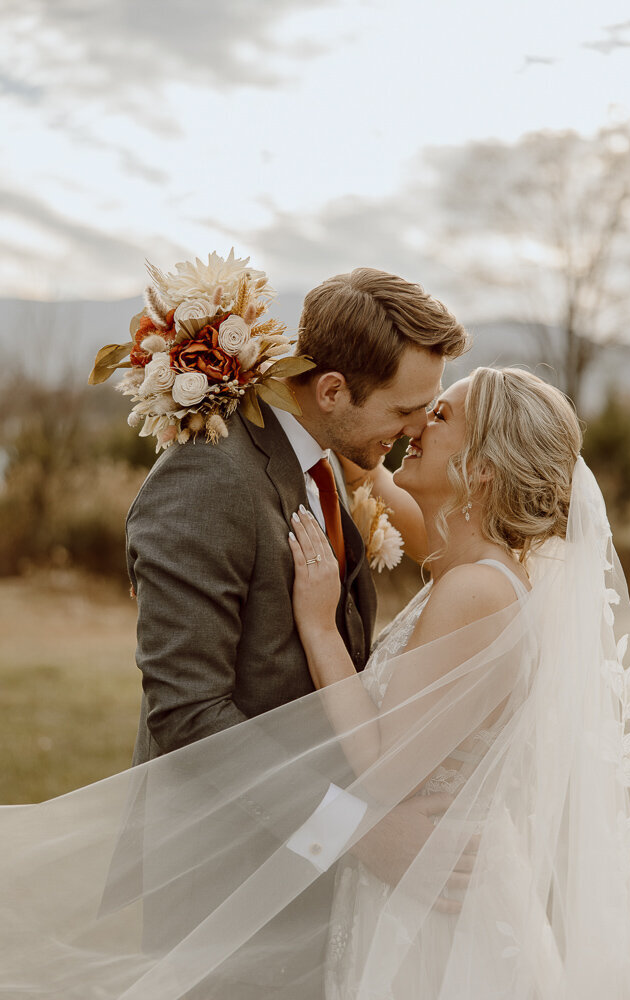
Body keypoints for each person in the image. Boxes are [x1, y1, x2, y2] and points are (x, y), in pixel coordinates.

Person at [124, 266, 468, 982]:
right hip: (224, 882)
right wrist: (361, 833)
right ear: (334, 389)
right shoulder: (208, 479)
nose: (414, 432)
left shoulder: (323, 465)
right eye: (406, 409)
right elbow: (186, 713)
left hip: (306, 877)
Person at [286, 367, 630, 999]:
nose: (420, 422)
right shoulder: (469, 561)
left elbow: (380, 767)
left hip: (439, 922)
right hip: (425, 882)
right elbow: (368, 463)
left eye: (442, 416)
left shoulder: (477, 590)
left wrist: (319, 629)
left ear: (480, 468)